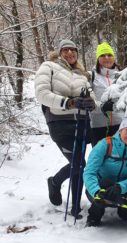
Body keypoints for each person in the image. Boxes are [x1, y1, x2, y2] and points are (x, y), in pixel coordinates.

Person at [35, 39, 96, 219]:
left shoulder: (81, 75)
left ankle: (75, 207)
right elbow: (42, 93)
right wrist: (68, 102)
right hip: (59, 123)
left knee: (81, 164)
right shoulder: (49, 66)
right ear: (60, 53)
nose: (70, 53)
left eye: (73, 50)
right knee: (78, 163)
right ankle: (55, 182)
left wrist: (93, 104)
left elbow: (92, 98)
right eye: (66, 50)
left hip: (82, 123)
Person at [83, 117, 127, 227]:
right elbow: (89, 172)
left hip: (121, 188)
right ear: (120, 130)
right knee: (101, 192)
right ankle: (94, 217)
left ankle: (124, 213)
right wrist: (96, 191)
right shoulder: (105, 145)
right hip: (100, 186)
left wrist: (120, 187)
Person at [89, 42, 123, 146]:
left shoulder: (122, 76)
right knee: (101, 159)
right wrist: (103, 107)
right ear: (98, 59)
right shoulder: (91, 76)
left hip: (121, 125)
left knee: (120, 159)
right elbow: (89, 103)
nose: (107, 58)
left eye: (109, 55)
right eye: (103, 55)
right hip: (98, 127)